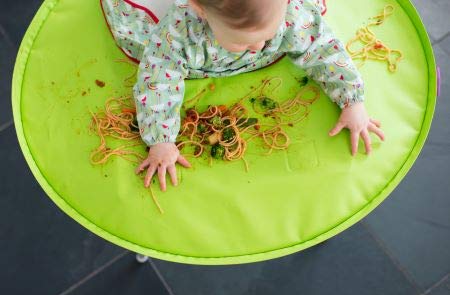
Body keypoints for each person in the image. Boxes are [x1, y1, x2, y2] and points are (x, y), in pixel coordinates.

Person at [100, 0, 385, 192]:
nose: (259, 47)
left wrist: (352, 99)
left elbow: (323, 47)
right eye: (242, 42)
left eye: (268, 36)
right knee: (139, 38)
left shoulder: (289, 12)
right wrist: (160, 141)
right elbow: (158, 81)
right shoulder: (179, 33)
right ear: (200, 9)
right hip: (187, 34)